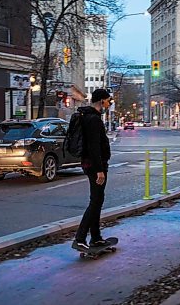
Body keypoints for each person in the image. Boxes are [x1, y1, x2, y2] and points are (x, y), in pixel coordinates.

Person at [72, 88, 112, 251]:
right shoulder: (93, 120)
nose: (110, 103)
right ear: (101, 101)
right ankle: (80, 238)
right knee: (96, 201)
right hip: (95, 166)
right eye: (109, 100)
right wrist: (99, 170)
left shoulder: (89, 116)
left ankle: (95, 237)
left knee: (97, 200)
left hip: (92, 164)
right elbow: (94, 146)